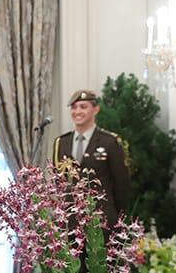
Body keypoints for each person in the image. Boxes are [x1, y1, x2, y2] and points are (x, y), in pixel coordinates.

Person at [52, 90, 130, 222]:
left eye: (83, 107)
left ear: (95, 110)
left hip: (101, 218)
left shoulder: (109, 142)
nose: (77, 112)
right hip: (71, 220)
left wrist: (114, 214)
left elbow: (121, 184)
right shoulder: (62, 142)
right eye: (74, 107)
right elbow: (59, 182)